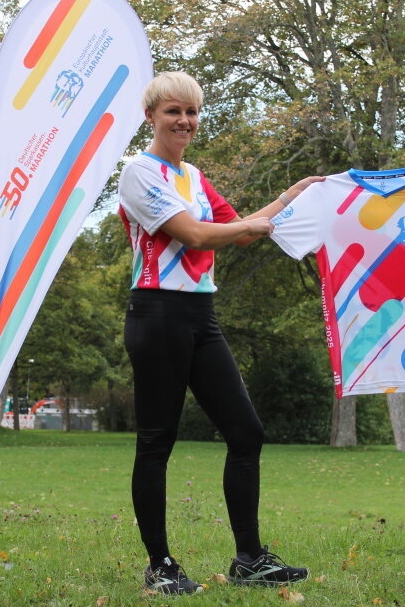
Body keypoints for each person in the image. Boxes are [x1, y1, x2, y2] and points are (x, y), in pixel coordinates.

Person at [118, 72, 320, 595]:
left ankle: (250, 558)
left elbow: (244, 229)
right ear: (151, 117)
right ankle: (160, 564)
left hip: (200, 317)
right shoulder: (140, 173)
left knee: (246, 432)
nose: (184, 121)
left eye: (191, 112)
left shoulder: (195, 176)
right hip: (157, 315)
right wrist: (254, 227)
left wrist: (291, 196)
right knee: (157, 441)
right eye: (172, 112)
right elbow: (196, 234)